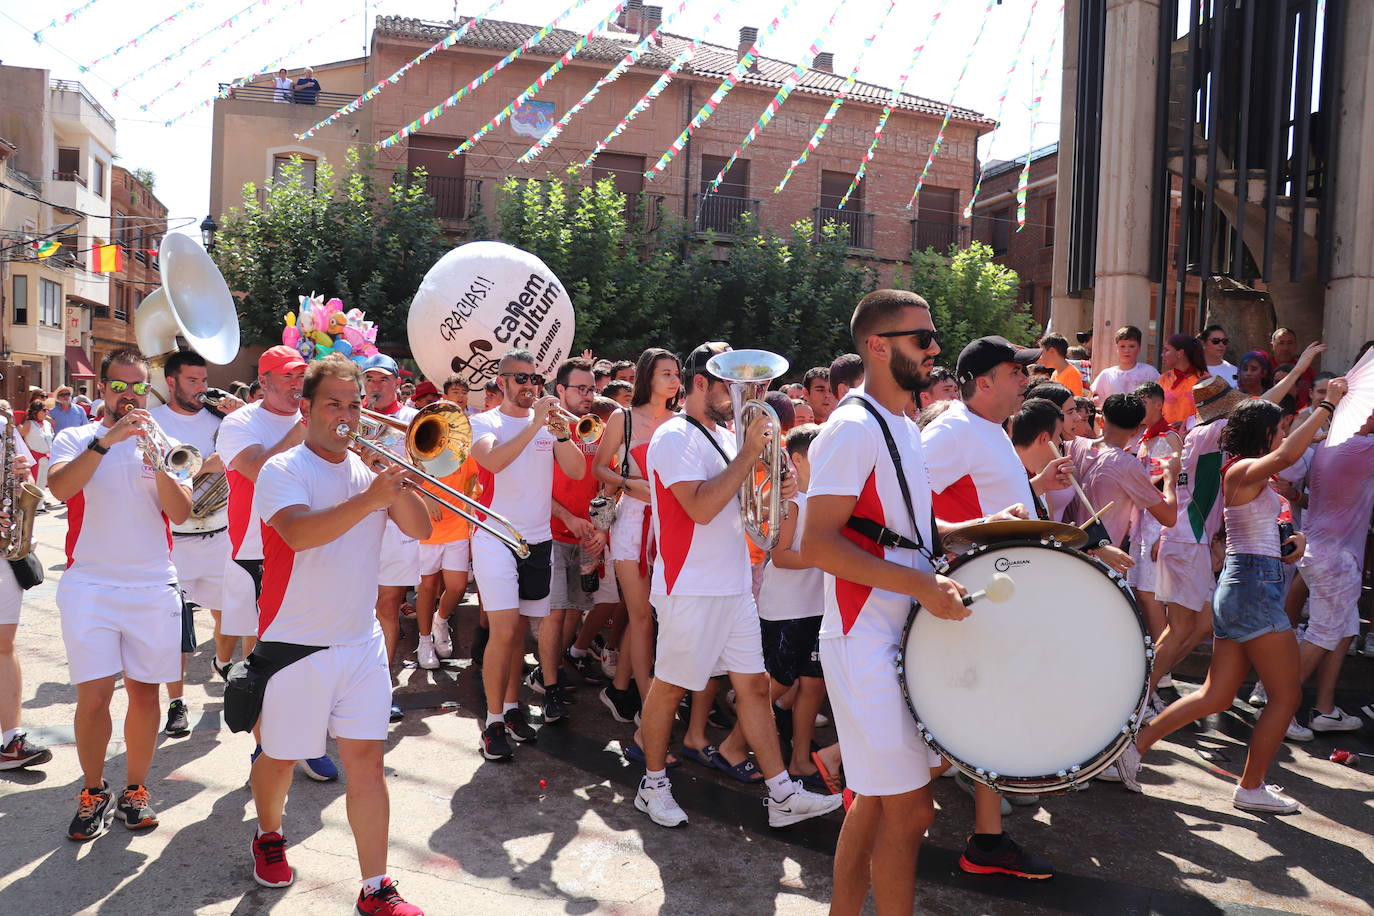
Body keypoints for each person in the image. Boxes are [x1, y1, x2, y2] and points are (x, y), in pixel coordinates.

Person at [803, 290, 1015, 913]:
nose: (934, 348)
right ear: (877, 346)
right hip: (862, 632)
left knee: (875, 802)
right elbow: (818, 542)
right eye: (921, 338)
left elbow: (896, 531)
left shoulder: (900, 424)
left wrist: (975, 528)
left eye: (932, 336)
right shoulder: (850, 427)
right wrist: (924, 585)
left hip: (897, 630)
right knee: (912, 807)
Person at [1113, 378, 1348, 814]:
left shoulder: (1249, 473)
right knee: (1286, 697)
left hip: (1247, 585)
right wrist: (1328, 406)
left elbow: (1257, 527)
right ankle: (1251, 786)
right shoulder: (1240, 468)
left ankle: (1131, 751)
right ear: (1264, 435)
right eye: (1278, 430)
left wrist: (1288, 540)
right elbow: (1287, 454)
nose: (1282, 436)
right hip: (1253, 590)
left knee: (1216, 695)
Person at [248, 355, 430, 915]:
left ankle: (376, 887)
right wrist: (370, 498)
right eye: (334, 404)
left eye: (354, 404)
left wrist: (389, 481)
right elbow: (300, 534)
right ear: (305, 409)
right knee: (278, 758)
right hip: (294, 644)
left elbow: (422, 528)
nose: (347, 415)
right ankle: (269, 833)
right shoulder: (284, 470)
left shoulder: (369, 470)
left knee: (368, 762)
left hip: (359, 642)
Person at [634, 341, 840, 831]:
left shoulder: (726, 436)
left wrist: (782, 486)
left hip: (731, 583)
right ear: (699, 383)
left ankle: (781, 794)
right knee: (670, 687)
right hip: (691, 585)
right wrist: (750, 452)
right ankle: (653, 783)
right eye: (731, 384)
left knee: (751, 686)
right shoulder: (673, 438)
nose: (741, 396)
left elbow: (749, 511)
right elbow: (701, 507)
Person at [921, 335, 1066, 880]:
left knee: (989, 709)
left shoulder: (987, 428)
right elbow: (906, 506)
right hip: (979, 590)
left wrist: (1034, 486)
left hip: (1000, 588)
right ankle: (843, 767)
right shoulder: (953, 430)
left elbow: (987, 500)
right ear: (983, 382)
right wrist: (961, 541)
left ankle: (987, 834)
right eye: (1014, 372)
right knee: (980, 709)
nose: (1024, 379)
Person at [47, 349, 194, 841]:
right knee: (93, 697)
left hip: (152, 584)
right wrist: (106, 442)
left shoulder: (166, 443)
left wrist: (160, 464)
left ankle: (135, 789)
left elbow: (181, 514)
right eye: (118, 386)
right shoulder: (75, 436)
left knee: (144, 694)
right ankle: (92, 793)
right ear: (102, 387)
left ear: (148, 389)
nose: (128, 395)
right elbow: (60, 490)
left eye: (137, 387)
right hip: (90, 583)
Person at [218, 346, 338, 781]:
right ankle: (265, 745)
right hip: (256, 549)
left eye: (301, 376)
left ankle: (305, 741)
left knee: (311, 651)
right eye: (287, 376)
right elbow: (257, 469)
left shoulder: (316, 415)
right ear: (263, 380)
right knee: (263, 656)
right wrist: (305, 429)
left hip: (310, 545)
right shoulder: (239, 422)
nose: (295, 384)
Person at [469, 350, 586, 760]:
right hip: (495, 538)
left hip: (537, 542)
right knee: (502, 632)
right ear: (501, 382)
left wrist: (561, 434)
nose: (528, 386)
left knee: (519, 634)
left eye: (534, 378)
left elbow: (575, 471)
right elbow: (492, 461)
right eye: (519, 378)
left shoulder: (548, 427)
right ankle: (493, 721)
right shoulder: (484, 422)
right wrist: (535, 422)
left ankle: (513, 707)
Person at [150, 351, 245, 737]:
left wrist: (242, 413)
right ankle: (176, 702)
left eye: (203, 380)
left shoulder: (222, 419)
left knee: (229, 616)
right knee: (177, 624)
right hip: (174, 540)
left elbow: (244, 453)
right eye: (192, 381)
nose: (201, 388)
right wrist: (199, 466)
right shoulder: (154, 421)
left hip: (219, 533)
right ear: (171, 382)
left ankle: (222, 663)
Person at [593, 349, 680, 740]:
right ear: (648, 377)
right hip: (630, 522)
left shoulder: (681, 423)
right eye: (666, 373)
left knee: (644, 615)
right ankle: (650, 707)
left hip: (670, 526)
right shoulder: (622, 417)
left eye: (677, 373)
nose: (675, 380)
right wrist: (630, 483)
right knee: (642, 615)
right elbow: (599, 467)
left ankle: (620, 689)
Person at [756, 423, 835, 787]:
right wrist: (827, 558)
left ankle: (801, 759)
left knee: (813, 684)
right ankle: (737, 745)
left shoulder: (825, 498)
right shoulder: (790, 503)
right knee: (778, 684)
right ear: (799, 458)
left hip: (817, 607)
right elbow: (781, 557)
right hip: (786, 610)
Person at [1287, 405, 1374, 734]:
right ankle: (1280, 709)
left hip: (1324, 553)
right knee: (1323, 635)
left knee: (1345, 628)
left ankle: (1325, 709)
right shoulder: (1361, 448)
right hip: (1334, 559)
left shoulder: (1329, 443)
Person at [536, 357, 612, 722]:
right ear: (560, 390)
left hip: (585, 538)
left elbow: (608, 484)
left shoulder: (597, 429)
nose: (588, 395)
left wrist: (600, 529)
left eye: (592, 389)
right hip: (549, 534)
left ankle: (545, 673)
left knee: (571, 613)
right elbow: (532, 486)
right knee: (554, 614)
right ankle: (550, 688)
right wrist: (567, 516)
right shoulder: (541, 431)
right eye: (580, 389)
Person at [362, 354, 420, 723]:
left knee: (387, 607)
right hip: (358, 522)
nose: (375, 386)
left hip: (397, 525)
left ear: (397, 382)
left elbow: (425, 469)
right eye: (370, 379)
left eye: (382, 379)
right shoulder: (353, 417)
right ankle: (354, 684)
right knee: (354, 608)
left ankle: (381, 685)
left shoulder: (413, 420)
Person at [0, 417, 50, 772]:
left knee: (4, 643)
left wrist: (21, 479)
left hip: (4, 551)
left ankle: (11, 739)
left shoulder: (3, 425)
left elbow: (29, 481)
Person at [1091, 326, 1159, 402]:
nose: (1126, 350)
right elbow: (1095, 400)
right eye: (1122, 346)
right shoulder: (1106, 375)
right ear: (1117, 348)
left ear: (1139, 348)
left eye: (1132, 346)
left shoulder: (1150, 372)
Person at [1158, 334, 1208, 428]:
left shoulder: (1204, 380)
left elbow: (1210, 414)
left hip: (1193, 439)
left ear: (1180, 353)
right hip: (1166, 438)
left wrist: (1187, 425)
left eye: (1166, 350)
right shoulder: (1163, 379)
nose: (1162, 355)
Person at [19, 401, 53, 498]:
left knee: (43, 482)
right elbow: (20, 438)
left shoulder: (47, 424)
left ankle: (40, 505)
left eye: (47, 410)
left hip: (46, 457)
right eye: (44, 410)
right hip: (34, 457)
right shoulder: (29, 423)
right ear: (35, 411)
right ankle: (33, 505)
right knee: (33, 482)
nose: (46, 412)